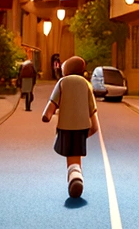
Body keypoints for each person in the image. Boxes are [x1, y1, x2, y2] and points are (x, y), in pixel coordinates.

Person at [41, 55, 99, 197]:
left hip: (65, 127)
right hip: (82, 128)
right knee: (75, 154)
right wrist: (93, 128)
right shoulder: (86, 85)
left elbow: (52, 103)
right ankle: (76, 175)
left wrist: (47, 115)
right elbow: (92, 110)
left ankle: (75, 177)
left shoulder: (62, 82)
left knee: (70, 155)